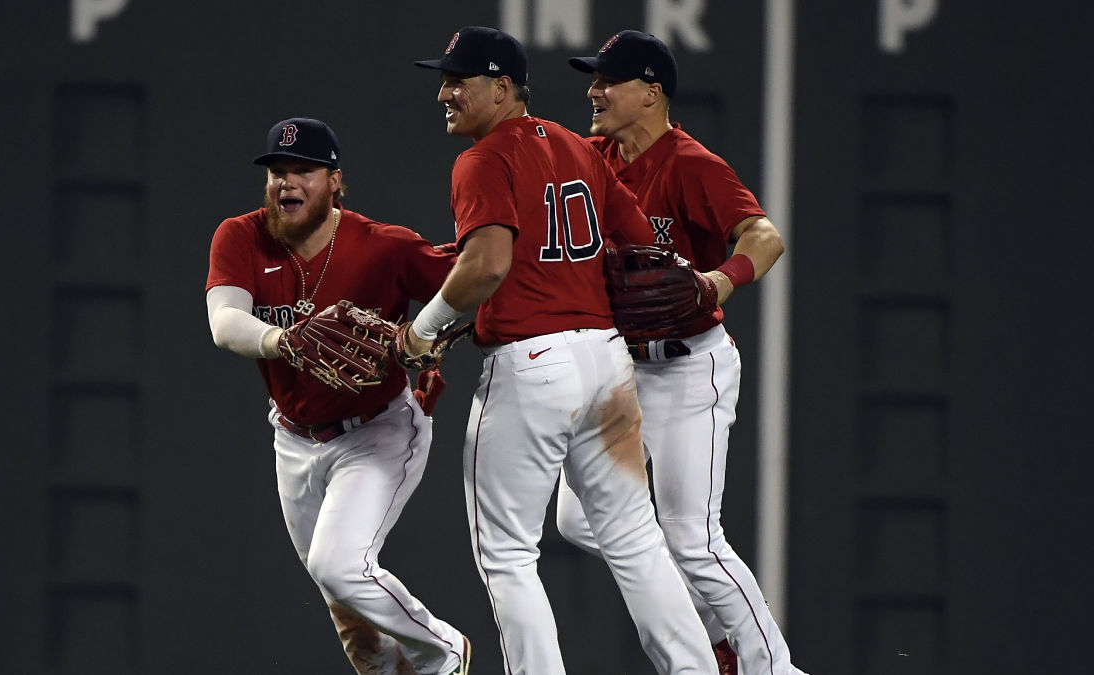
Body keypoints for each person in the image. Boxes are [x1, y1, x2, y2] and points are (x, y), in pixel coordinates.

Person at [406, 26, 720, 674]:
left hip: (531, 366)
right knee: (635, 538)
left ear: (502, 88)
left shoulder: (483, 159)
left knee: (509, 555)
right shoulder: (583, 149)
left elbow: (487, 263)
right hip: (606, 363)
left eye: (457, 80)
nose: (444, 92)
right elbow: (648, 251)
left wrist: (424, 328)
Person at [560, 31, 807, 675]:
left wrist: (716, 280)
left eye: (607, 80)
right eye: (593, 79)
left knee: (692, 538)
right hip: (619, 368)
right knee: (580, 520)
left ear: (651, 93)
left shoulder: (692, 164)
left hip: (688, 365)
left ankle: (772, 668)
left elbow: (766, 237)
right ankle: (709, 636)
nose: (593, 90)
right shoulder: (591, 158)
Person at [204, 116, 470, 675]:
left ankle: (441, 651)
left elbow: (472, 278)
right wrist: (283, 338)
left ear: (336, 181)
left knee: (339, 564)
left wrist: (430, 338)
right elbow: (224, 322)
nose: (287, 182)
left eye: (303, 170)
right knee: (353, 624)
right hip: (294, 440)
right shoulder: (241, 236)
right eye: (278, 171)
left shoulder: (384, 247)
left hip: (376, 430)